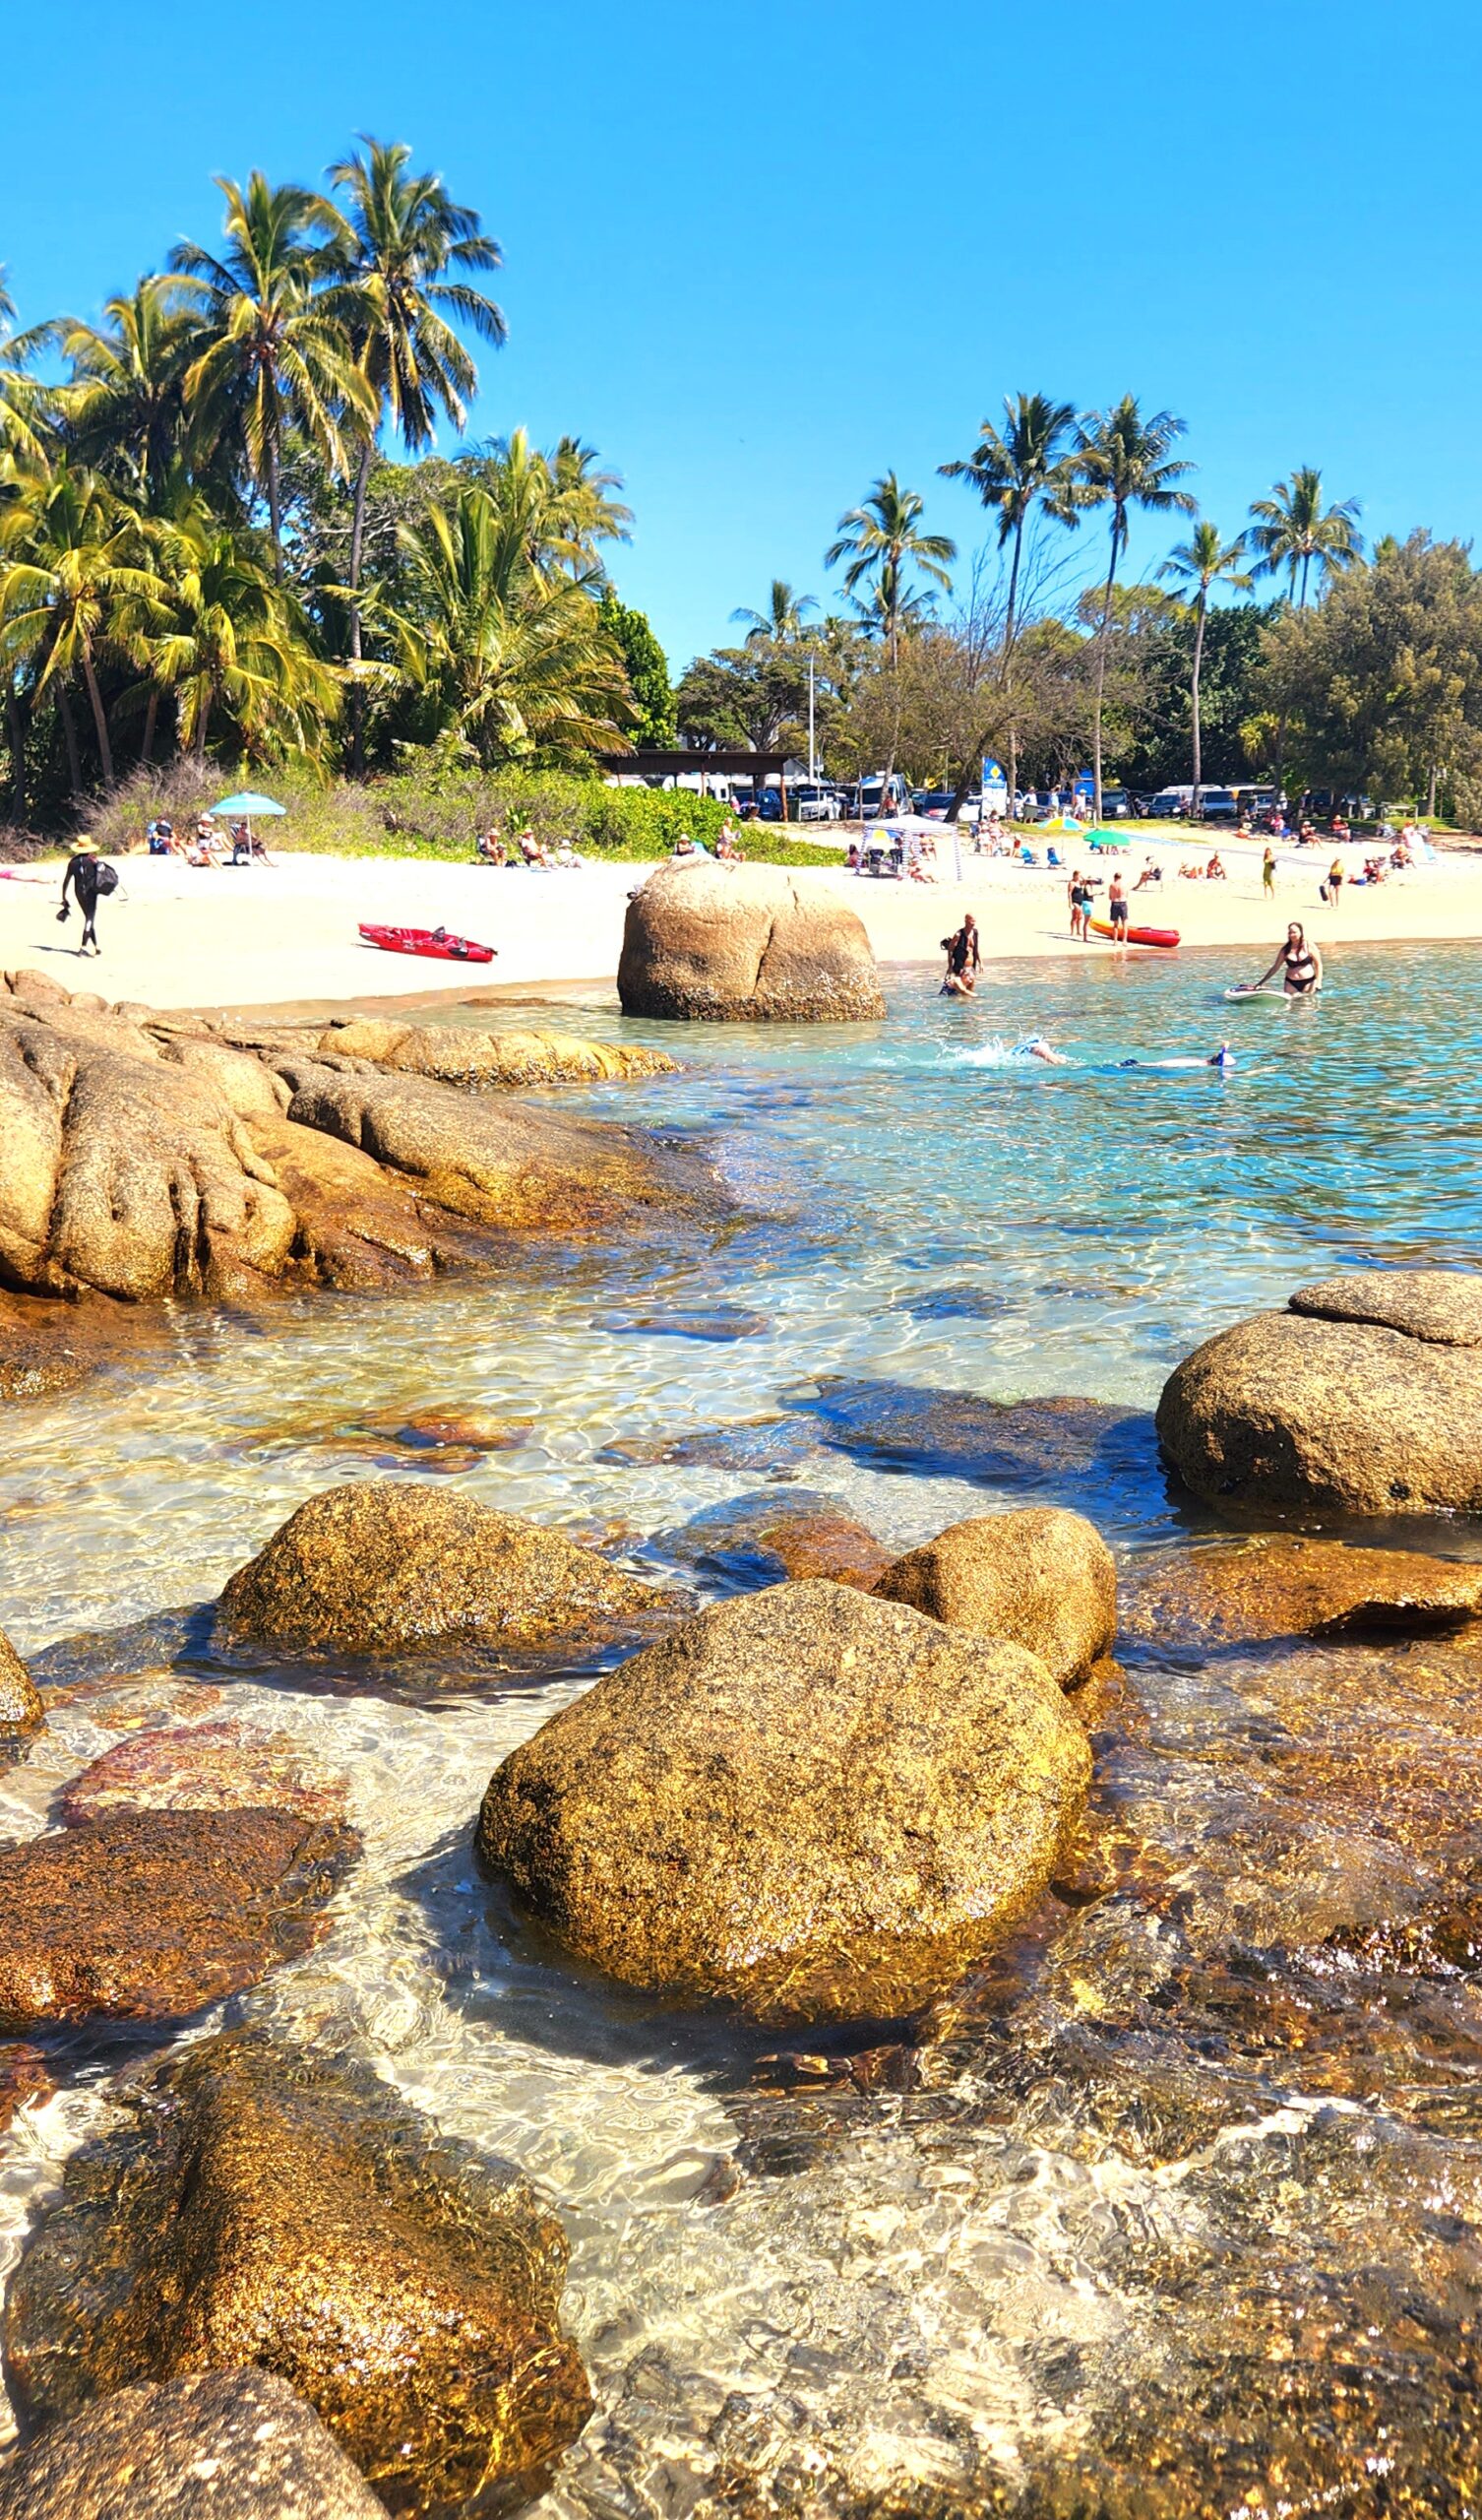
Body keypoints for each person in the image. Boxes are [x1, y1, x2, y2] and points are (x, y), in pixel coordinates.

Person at [58, 837, 110, 954]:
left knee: (89, 917)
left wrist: (64, 896)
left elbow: (66, 881)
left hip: (78, 892)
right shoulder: (93, 860)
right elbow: (102, 874)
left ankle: (96, 947)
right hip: (91, 892)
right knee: (89, 918)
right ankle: (83, 947)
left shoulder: (72, 862)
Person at [1252, 920, 1324, 996]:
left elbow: (1318, 965)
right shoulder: (1285, 949)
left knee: (1306, 1005)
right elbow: (1275, 967)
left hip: (1309, 982)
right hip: (1290, 983)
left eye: (1294, 932)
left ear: (1301, 932)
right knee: (1292, 1006)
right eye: (1290, 932)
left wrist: (1318, 983)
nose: (1292, 935)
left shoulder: (1309, 945)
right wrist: (1261, 982)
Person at [941, 914, 981, 993]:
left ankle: (968, 1004)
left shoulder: (975, 933)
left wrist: (981, 963)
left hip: (971, 968)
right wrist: (950, 966)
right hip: (961, 967)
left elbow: (976, 949)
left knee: (969, 991)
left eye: (974, 921)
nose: (973, 923)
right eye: (971, 921)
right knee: (961, 991)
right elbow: (950, 950)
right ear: (966, 921)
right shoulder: (958, 934)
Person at [1106, 874, 1130, 939]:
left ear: (1114, 877)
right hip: (1123, 903)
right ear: (1121, 877)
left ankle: (1115, 941)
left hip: (1115, 903)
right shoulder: (1125, 884)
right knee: (1124, 923)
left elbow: (1110, 897)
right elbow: (1127, 895)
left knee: (1115, 924)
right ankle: (1124, 941)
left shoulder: (1112, 885)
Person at [1068, 868, 1087, 939]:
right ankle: (1072, 931)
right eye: (1078, 875)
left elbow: (1085, 882)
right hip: (1074, 901)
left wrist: (1082, 876)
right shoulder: (1071, 883)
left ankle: (1078, 931)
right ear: (1075, 875)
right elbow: (1069, 893)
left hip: (1080, 900)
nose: (1079, 877)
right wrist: (1070, 903)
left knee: (1080, 917)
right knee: (1074, 917)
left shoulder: (1079, 882)